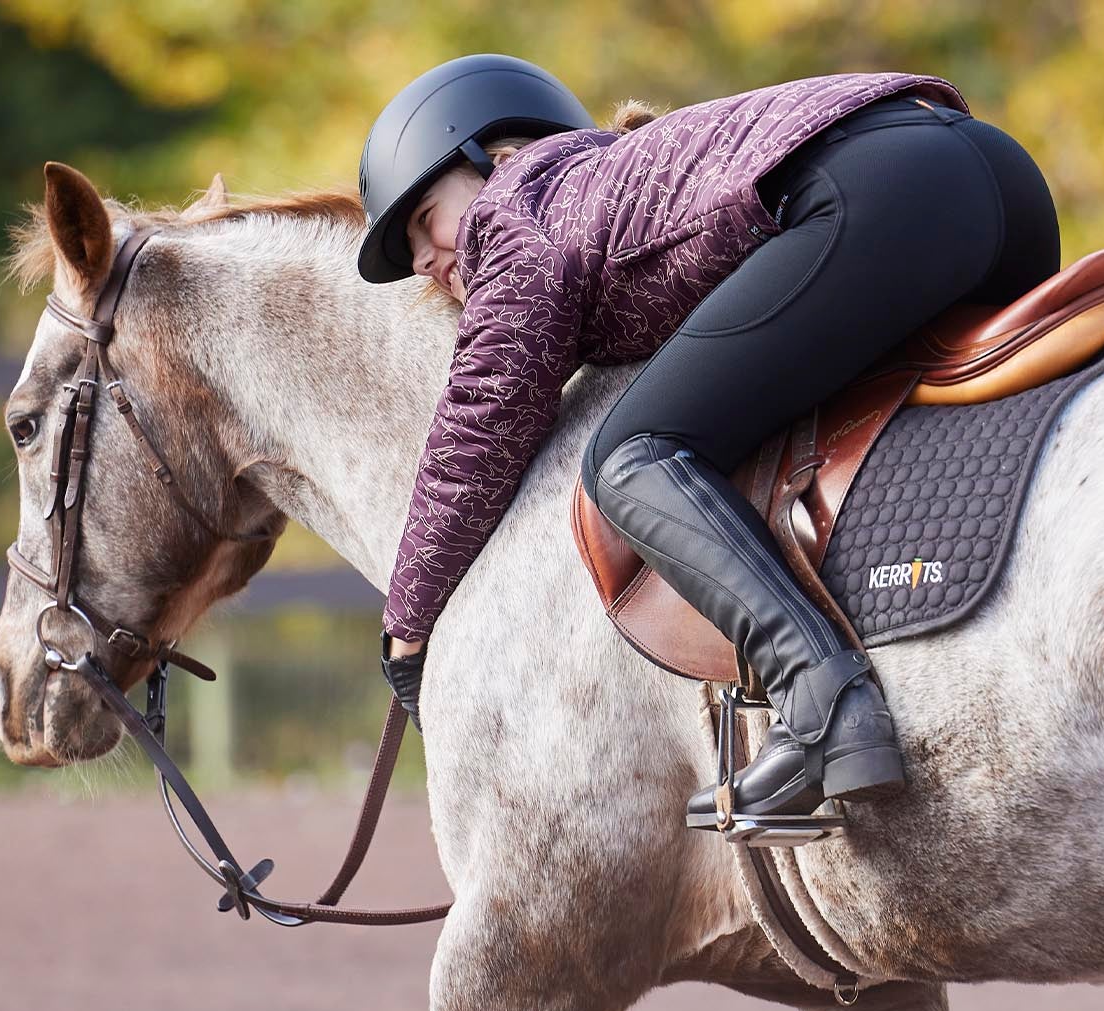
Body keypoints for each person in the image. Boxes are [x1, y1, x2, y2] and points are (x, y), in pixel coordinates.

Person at [361, 54, 1059, 826]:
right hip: (998, 176)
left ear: (496, 159)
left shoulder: (518, 208)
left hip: (885, 188)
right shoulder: (603, 186)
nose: (425, 260)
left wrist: (407, 627)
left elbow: (480, 424)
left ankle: (825, 705)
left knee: (631, 455)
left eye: (426, 220)